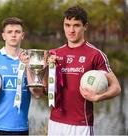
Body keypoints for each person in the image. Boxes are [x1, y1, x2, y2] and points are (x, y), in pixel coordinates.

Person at [47, 5, 121, 135]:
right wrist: (45, 69)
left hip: (81, 125)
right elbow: (44, 90)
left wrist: (98, 97)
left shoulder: (95, 54)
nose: (71, 30)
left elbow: (116, 88)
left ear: (85, 26)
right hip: (55, 122)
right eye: (67, 25)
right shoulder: (55, 53)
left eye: (76, 25)